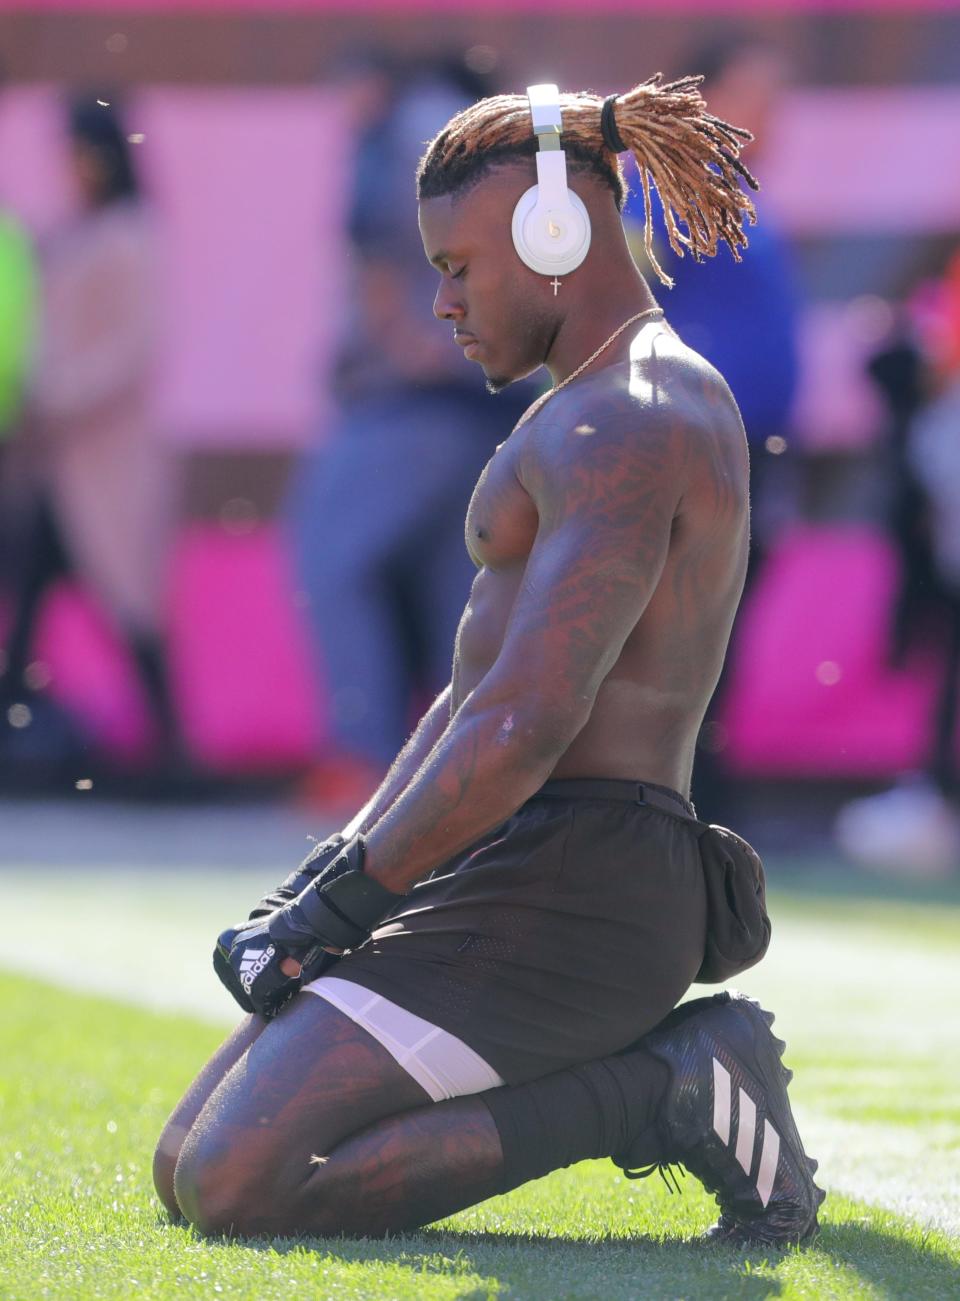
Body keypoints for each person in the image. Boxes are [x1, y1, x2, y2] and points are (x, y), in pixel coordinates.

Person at [155, 75, 824, 1245]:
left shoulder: (634, 413)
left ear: (552, 231)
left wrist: (345, 902)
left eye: (459, 266)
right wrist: (337, 877)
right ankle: (659, 1074)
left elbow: (525, 721)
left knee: (240, 1182)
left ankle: (669, 1084)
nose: (443, 302)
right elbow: (472, 697)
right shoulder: (585, 403)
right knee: (186, 1164)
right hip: (525, 856)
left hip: (585, 881)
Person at [0, 97, 180, 764]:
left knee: (131, 607)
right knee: (29, 596)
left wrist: (56, 395)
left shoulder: (133, 234)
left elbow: (133, 348)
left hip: (110, 458)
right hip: (60, 463)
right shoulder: (72, 233)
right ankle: (18, 726)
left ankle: (172, 746)